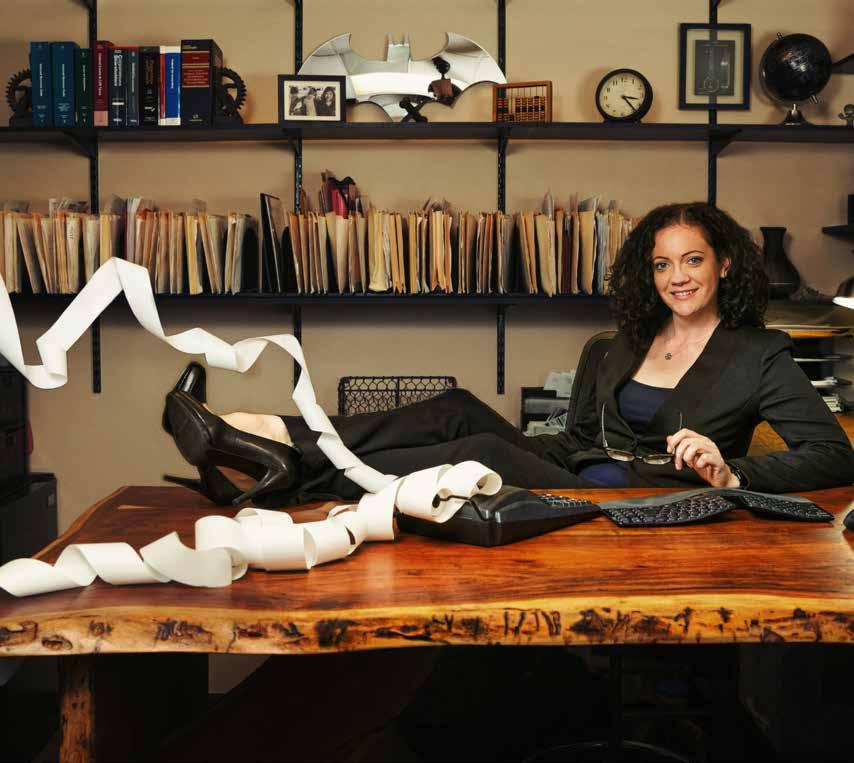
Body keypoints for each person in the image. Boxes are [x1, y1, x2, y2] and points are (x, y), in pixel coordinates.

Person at [162, 202, 854, 506]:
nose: (677, 277)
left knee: (481, 453)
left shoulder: (757, 354)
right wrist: (540, 448)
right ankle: (280, 442)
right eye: (662, 263)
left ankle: (274, 459)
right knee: (460, 408)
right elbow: (577, 440)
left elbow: (833, 455)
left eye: (693, 260)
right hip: (576, 473)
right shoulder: (624, 343)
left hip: (639, 503)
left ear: (724, 264)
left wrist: (731, 472)